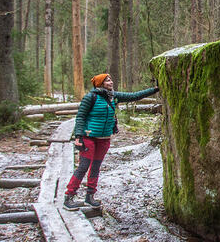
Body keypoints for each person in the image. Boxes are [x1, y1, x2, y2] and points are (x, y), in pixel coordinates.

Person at [63, 73, 159, 210]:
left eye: (111, 80)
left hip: (104, 139)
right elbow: (80, 117)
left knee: (95, 167)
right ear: (100, 83)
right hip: (88, 137)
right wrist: (78, 136)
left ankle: (90, 196)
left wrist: (155, 90)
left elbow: (134, 96)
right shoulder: (90, 97)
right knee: (83, 167)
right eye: (107, 80)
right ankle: (69, 196)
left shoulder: (113, 96)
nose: (111, 82)